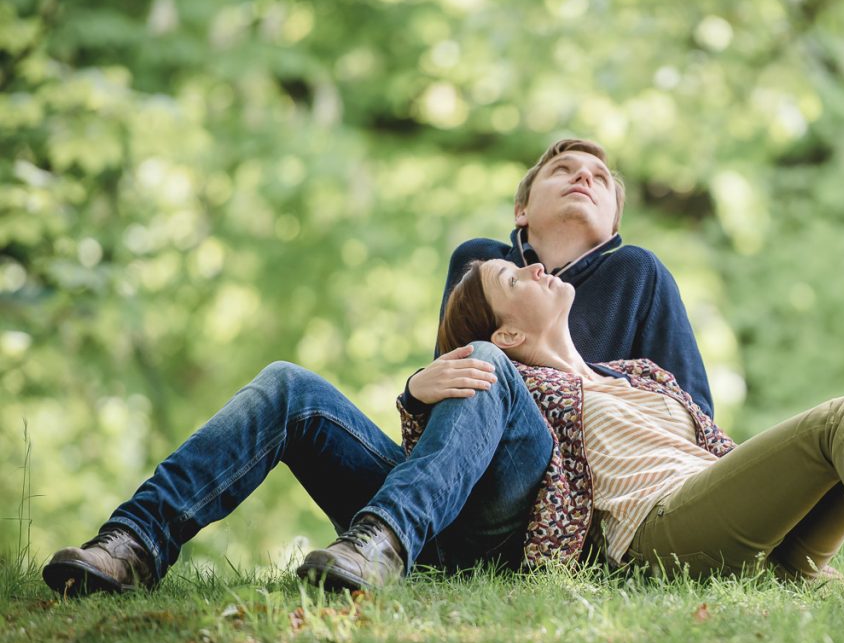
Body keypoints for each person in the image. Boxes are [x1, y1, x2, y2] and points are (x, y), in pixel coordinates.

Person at [42, 139, 710, 595]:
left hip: (533, 508)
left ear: (616, 219)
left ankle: (383, 541)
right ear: (522, 209)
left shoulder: (638, 274)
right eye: (564, 169)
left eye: (599, 178)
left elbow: (691, 424)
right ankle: (131, 544)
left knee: (486, 365)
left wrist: (557, 372)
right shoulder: (480, 262)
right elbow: (455, 398)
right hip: (445, 498)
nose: (583, 178)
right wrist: (417, 389)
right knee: (287, 385)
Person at [434, 257, 844, 608]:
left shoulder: (640, 375)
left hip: (741, 533)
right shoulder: (528, 393)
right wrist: (416, 392)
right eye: (514, 278)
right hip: (662, 536)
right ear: (508, 335)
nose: (538, 270)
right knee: (840, 414)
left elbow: (725, 458)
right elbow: (449, 444)